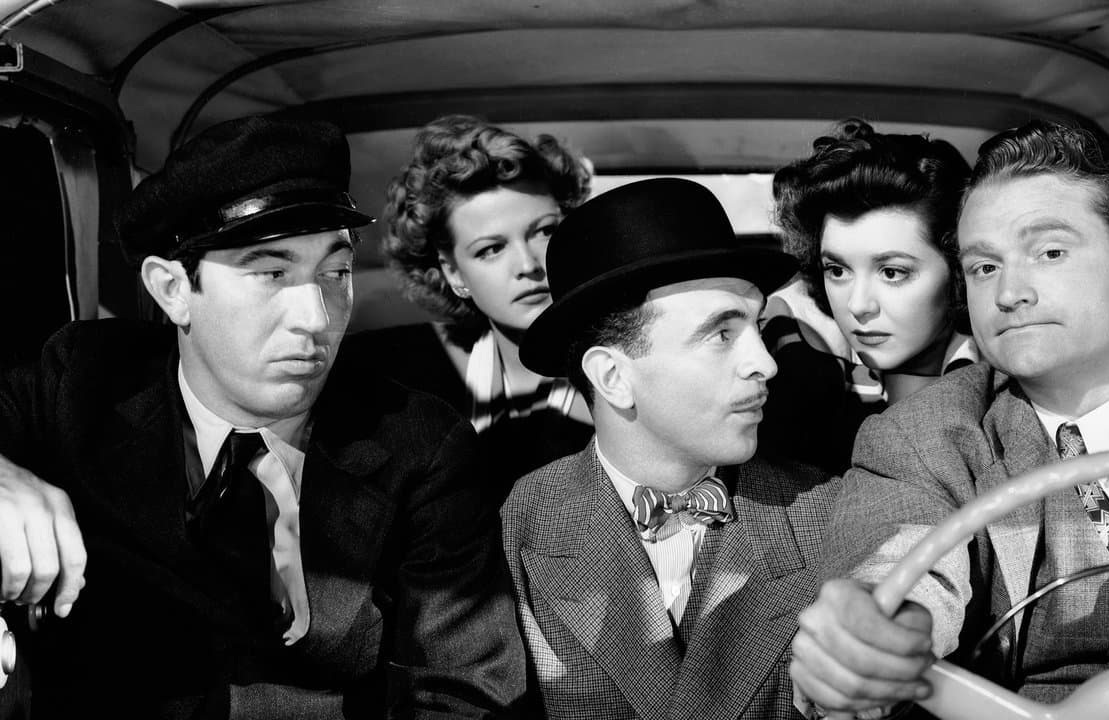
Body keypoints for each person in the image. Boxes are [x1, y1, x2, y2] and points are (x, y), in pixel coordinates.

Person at [0, 115, 525, 717]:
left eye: (336, 273)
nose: (316, 319)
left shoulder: (420, 445)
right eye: (272, 273)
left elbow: (463, 692)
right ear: (173, 290)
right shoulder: (83, 380)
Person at [790, 120, 1109, 716]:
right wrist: (876, 636)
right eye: (984, 267)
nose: (1009, 293)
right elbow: (895, 563)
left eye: (1049, 253)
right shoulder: (919, 441)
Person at [503, 178, 840, 719]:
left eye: (756, 326)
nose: (765, 363)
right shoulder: (520, 525)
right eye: (721, 335)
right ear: (612, 377)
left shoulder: (827, 514)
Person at [761, 119, 1109, 471]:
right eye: (837, 270)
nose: (858, 305)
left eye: (893, 272)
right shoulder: (787, 378)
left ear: (959, 272)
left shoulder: (1025, 375)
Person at [357, 115, 593, 497]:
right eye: (491, 249)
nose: (528, 265)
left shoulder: (634, 366)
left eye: (545, 231)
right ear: (453, 272)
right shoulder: (407, 390)